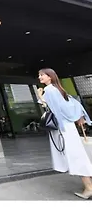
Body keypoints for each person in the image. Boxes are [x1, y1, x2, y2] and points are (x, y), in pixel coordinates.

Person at [37, 68, 92, 199]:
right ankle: (89, 185)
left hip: (63, 128)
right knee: (77, 155)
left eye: (42, 75)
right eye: (39, 75)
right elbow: (69, 104)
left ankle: (89, 187)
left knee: (75, 156)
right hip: (67, 126)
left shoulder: (50, 90)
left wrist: (40, 96)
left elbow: (53, 108)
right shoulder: (58, 89)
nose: (39, 77)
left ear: (50, 77)